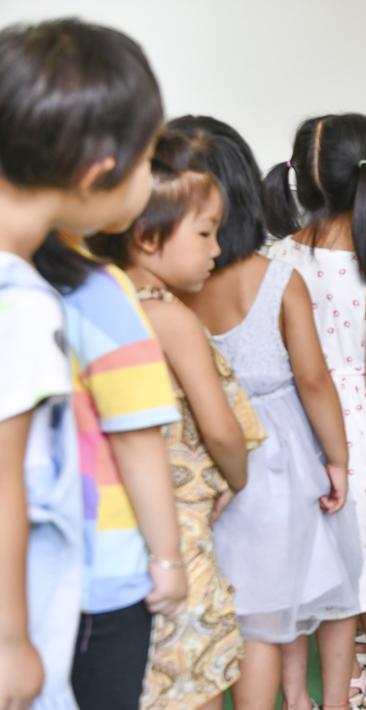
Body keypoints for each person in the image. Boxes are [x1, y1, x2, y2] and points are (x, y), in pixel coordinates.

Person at [0, 18, 169, 708]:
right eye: (149, 158)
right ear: (100, 171)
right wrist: (12, 640)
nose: (151, 178)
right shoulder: (22, 302)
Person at [181, 115, 361, 710]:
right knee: (260, 623)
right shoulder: (277, 279)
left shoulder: (169, 286)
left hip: (196, 464)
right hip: (277, 463)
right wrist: (336, 459)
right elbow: (313, 380)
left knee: (208, 617)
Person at [87, 131, 257, 710]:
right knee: (196, 673)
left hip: (123, 523)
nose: (216, 249)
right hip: (181, 530)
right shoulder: (169, 318)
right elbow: (219, 428)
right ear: (147, 236)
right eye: (205, 233)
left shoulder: (103, 302)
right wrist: (238, 478)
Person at [263, 113, 366, 708]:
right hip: (359, 428)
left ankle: (306, 689)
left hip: (289, 423)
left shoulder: (273, 258)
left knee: (304, 562)